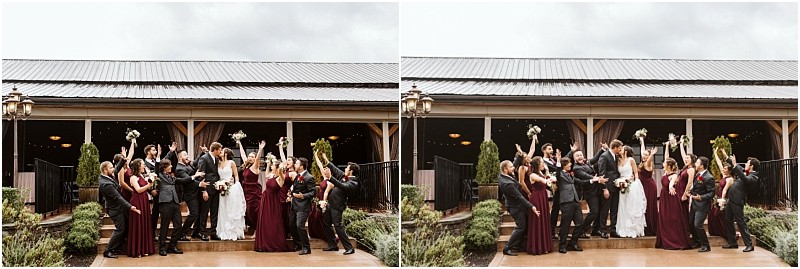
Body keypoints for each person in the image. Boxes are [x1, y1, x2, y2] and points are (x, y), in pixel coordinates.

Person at [156, 159, 202, 256]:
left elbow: (182, 180)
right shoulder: (159, 175)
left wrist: (194, 176)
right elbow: (157, 166)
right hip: (165, 203)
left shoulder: (172, 177)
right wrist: (159, 156)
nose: (171, 166)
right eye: (169, 165)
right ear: (164, 167)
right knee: (164, 226)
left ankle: (172, 246)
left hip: (175, 203)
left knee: (178, 225)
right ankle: (162, 248)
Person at [319, 152, 359, 255]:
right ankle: (333, 245)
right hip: (330, 204)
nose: (345, 169)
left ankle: (349, 248)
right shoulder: (344, 176)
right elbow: (335, 169)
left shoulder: (353, 182)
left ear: (351, 171)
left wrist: (330, 178)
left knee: (338, 226)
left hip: (337, 206)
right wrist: (326, 159)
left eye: (347, 168)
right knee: (326, 223)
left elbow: (343, 186)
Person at [99, 161, 141, 259]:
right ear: (105, 170)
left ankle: (117, 248)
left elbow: (117, 169)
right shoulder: (106, 184)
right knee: (120, 229)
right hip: (115, 209)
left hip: (118, 207)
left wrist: (123, 160)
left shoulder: (107, 176)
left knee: (125, 228)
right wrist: (130, 207)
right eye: (111, 167)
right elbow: (118, 197)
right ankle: (108, 250)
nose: (113, 169)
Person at [498, 160, 540, 256]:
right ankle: (507, 248)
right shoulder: (507, 184)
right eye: (511, 167)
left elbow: (515, 163)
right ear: (505, 169)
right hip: (515, 207)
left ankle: (517, 245)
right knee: (520, 227)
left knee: (525, 225)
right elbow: (519, 197)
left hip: (517, 205)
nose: (513, 168)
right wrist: (532, 206)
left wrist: (519, 156)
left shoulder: (503, 175)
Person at [567, 143, 608, 239]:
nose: (580, 157)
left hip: (597, 190)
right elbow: (586, 176)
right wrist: (597, 178)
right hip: (589, 193)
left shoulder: (587, 163)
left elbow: (594, 159)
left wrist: (602, 149)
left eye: (581, 155)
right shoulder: (576, 168)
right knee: (594, 212)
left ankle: (595, 230)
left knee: (598, 211)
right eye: (577, 156)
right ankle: (582, 230)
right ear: (574, 158)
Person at [720, 151, 758, 252]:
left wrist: (735, 164)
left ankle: (749, 244)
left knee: (740, 222)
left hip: (737, 201)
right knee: (728, 219)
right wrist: (726, 156)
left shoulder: (754, 177)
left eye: (747, 163)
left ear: (751, 166)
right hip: (731, 199)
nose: (745, 164)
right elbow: (735, 166)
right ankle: (732, 242)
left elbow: (745, 179)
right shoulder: (745, 172)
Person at [255, 160, 293, 252]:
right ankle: (263, 242)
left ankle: (272, 242)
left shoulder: (281, 178)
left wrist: (281, 167)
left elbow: (281, 174)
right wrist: (268, 164)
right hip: (265, 199)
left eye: (273, 165)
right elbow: (267, 175)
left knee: (272, 220)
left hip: (273, 202)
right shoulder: (272, 175)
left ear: (277, 167)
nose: (272, 166)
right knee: (264, 220)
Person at [655, 157, 691, 250]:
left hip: (671, 198)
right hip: (664, 197)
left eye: (665, 163)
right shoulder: (665, 173)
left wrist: (671, 187)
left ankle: (675, 240)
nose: (663, 164)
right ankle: (665, 239)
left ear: (669, 165)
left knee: (673, 218)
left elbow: (671, 183)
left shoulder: (674, 175)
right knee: (664, 217)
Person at [174, 148, 209, 241]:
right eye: (185, 155)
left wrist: (201, 153)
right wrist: (199, 183)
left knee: (198, 213)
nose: (187, 156)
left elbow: (195, 163)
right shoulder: (179, 169)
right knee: (194, 213)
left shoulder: (187, 165)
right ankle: (182, 233)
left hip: (196, 193)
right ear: (180, 157)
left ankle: (195, 232)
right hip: (189, 194)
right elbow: (187, 180)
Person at [556, 157, 589, 253]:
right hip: (566, 202)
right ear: (564, 165)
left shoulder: (570, 175)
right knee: (565, 225)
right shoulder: (560, 174)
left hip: (575, 201)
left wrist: (592, 180)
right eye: (569, 163)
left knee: (580, 223)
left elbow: (580, 182)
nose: (571, 164)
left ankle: (573, 243)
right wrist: (558, 161)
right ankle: (562, 245)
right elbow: (558, 172)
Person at [616, 146, 647, 238]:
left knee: (631, 206)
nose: (620, 149)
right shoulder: (618, 160)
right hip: (621, 185)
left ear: (626, 151)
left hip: (631, 184)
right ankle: (623, 227)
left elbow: (636, 172)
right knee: (623, 206)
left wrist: (636, 182)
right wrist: (619, 182)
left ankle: (632, 228)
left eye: (622, 148)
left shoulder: (631, 160)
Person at [127, 159, 155, 258]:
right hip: (137, 201)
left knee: (144, 223)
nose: (144, 166)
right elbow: (138, 190)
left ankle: (145, 249)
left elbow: (146, 187)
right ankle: (137, 250)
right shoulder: (133, 177)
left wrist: (151, 180)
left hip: (144, 200)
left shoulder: (141, 176)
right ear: (138, 166)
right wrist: (148, 185)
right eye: (143, 164)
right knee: (138, 224)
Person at [217, 148, 247, 241]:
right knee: (223, 209)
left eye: (222, 151)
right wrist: (219, 184)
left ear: (226, 153)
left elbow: (236, 175)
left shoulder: (231, 163)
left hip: (230, 188)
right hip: (221, 189)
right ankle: (223, 230)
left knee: (230, 209)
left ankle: (232, 231)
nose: (220, 152)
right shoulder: (218, 163)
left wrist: (236, 184)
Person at [527, 156, 555, 255]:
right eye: (542, 162)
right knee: (538, 221)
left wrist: (547, 172)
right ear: (537, 164)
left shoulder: (540, 172)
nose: (543, 164)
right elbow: (542, 180)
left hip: (543, 197)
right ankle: (537, 247)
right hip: (536, 198)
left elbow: (545, 180)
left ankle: (545, 246)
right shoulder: (532, 175)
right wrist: (549, 179)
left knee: (544, 220)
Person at [237, 139, 266, 231]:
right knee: (246, 210)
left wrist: (260, 149)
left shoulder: (255, 167)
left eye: (252, 157)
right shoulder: (247, 166)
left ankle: (257, 228)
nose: (250, 158)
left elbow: (257, 159)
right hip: (245, 190)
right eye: (249, 156)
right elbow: (242, 154)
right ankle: (251, 226)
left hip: (254, 192)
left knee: (252, 210)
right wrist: (239, 143)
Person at [289, 157, 316, 255]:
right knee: (292, 225)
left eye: (296, 164)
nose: (295, 165)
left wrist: (303, 196)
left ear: (301, 166)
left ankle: (306, 247)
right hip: (294, 205)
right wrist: (291, 194)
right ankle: (298, 244)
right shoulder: (297, 176)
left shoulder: (309, 177)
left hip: (303, 206)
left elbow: (313, 192)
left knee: (300, 225)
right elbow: (295, 189)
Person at [688, 156, 716, 252]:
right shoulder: (698, 174)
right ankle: (697, 241)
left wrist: (701, 197)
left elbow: (712, 193)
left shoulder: (709, 177)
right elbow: (697, 188)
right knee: (690, 223)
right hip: (694, 204)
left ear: (701, 166)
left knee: (698, 225)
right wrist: (690, 192)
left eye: (697, 163)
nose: (695, 164)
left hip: (703, 205)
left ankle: (706, 245)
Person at [197, 142, 223, 240]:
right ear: (215, 150)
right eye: (219, 150)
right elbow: (201, 174)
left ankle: (213, 232)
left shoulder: (216, 159)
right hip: (207, 189)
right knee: (204, 212)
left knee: (214, 212)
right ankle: (203, 232)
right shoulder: (204, 158)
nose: (220, 152)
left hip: (216, 189)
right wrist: (204, 190)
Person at [597, 139, 623, 238]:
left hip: (616, 187)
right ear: (615, 148)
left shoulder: (616, 156)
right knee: (605, 209)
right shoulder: (604, 156)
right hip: (608, 187)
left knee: (614, 209)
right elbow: (602, 173)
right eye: (620, 148)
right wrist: (604, 189)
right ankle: (602, 229)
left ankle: (613, 230)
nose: (620, 150)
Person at [708, 147, 733, 240]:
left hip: (723, 198)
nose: (723, 169)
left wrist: (722, 200)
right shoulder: (724, 175)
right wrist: (715, 154)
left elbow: (725, 190)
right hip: (718, 196)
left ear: (729, 170)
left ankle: (724, 232)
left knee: (718, 215)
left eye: (725, 168)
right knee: (712, 214)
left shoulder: (730, 179)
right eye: (724, 168)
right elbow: (719, 164)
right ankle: (715, 231)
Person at [638, 136, 659, 236]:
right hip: (643, 185)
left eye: (646, 155)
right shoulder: (643, 162)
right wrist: (642, 141)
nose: (644, 156)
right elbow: (642, 152)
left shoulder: (648, 163)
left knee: (648, 206)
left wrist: (652, 154)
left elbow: (649, 159)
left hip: (649, 187)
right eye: (644, 155)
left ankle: (649, 227)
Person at [541, 142, 563, 239]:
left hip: (560, 186)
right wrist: (558, 161)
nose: (552, 150)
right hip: (550, 187)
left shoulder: (553, 160)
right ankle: (551, 229)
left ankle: (561, 229)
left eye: (552, 149)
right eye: (549, 149)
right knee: (555, 209)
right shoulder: (542, 162)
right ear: (544, 150)